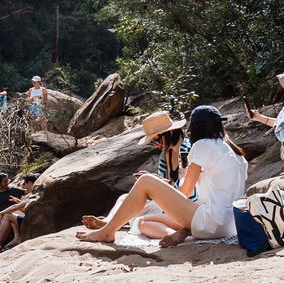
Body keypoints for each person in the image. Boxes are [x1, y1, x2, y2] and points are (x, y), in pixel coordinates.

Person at [75, 105, 247, 247]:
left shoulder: (202, 145)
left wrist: (181, 172)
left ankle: (107, 232)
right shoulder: (235, 152)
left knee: (145, 181)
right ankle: (176, 233)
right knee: (142, 222)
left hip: (210, 221)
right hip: (231, 225)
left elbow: (185, 191)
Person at [85, 111, 196, 240]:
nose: (156, 145)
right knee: (124, 199)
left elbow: (189, 190)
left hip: (186, 205)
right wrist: (156, 180)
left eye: (156, 140)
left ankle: (175, 232)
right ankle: (108, 222)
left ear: (169, 133)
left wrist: (155, 182)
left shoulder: (187, 151)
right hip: (169, 205)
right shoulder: (165, 154)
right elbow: (169, 184)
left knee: (140, 221)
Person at [0, 172, 39, 252]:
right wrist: (18, 201)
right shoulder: (37, 192)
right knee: (12, 213)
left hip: (32, 221)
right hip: (33, 218)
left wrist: (1, 213)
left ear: (29, 183)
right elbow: (25, 208)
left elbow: (17, 207)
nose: (23, 185)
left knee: (7, 215)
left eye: (24, 183)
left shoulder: (33, 195)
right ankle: (16, 238)